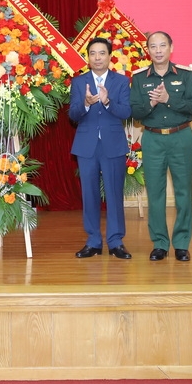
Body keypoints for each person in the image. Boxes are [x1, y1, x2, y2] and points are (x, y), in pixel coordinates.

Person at [130, 31, 192, 262]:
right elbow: (136, 114)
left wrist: (168, 99)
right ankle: (160, 243)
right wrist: (151, 102)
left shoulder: (186, 75)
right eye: (153, 46)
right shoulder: (139, 78)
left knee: (183, 192)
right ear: (147, 50)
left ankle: (181, 244)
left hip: (181, 138)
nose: (158, 50)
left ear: (171, 47)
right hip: (152, 139)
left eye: (162, 45)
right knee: (155, 194)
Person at [69, 37, 133, 259]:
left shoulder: (121, 82)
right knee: (89, 195)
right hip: (86, 146)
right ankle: (93, 241)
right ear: (88, 57)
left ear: (109, 56)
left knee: (114, 194)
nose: (97, 57)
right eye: (93, 53)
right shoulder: (79, 82)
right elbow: (72, 115)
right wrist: (86, 104)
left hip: (113, 145)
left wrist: (107, 102)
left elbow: (126, 113)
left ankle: (116, 242)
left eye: (102, 53)